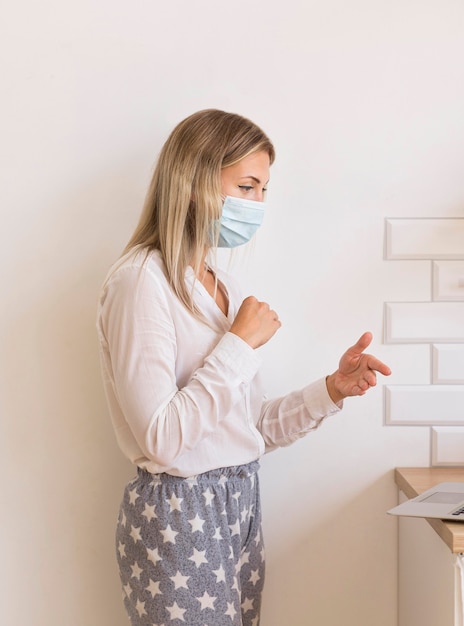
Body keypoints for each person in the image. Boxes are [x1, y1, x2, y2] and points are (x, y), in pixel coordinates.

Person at [96, 108, 392, 626]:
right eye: (246, 186)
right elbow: (161, 438)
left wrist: (332, 390)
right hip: (179, 517)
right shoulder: (141, 282)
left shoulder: (224, 287)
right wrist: (236, 344)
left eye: (263, 191)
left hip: (239, 503)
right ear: (192, 183)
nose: (256, 205)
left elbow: (248, 428)